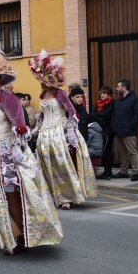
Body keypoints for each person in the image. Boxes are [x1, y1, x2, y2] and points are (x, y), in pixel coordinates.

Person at [0, 42, 62, 255]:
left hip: (1, 152)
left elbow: (20, 125)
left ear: (0, 80)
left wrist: (17, 147)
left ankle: (18, 236)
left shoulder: (7, 98)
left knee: (8, 194)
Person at [29, 50, 97, 210]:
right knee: (46, 166)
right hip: (45, 135)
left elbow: (72, 112)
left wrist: (70, 131)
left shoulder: (60, 94)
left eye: (42, 79)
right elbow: (42, 115)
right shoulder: (43, 95)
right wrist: (36, 129)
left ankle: (67, 196)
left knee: (61, 165)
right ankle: (53, 195)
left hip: (59, 133)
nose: (40, 81)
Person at [112, 79, 138, 181]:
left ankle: (135, 173)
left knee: (132, 152)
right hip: (119, 131)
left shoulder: (134, 99)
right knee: (122, 153)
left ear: (124, 88)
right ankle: (123, 171)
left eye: (118, 86)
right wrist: (114, 127)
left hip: (129, 132)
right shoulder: (118, 101)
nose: (117, 89)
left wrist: (130, 125)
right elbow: (115, 115)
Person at [91, 86, 115, 180]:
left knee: (107, 151)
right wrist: (99, 115)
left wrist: (98, 115)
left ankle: (108, 172)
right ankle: (105, 171)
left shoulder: (112, 103)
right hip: (99, 130)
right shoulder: (98, 103)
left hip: (108, 131)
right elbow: (93, 113)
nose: (102, 95)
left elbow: (106, 114)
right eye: (101, 93)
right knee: (102, 152)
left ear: (109, 95)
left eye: (104, 93)